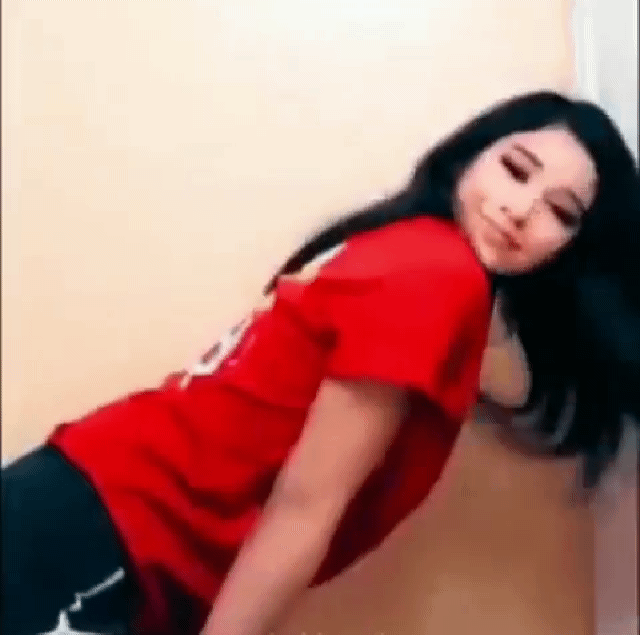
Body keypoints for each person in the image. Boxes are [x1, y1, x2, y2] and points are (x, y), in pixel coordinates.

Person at [2, 91, 639, 635]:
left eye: (561, 212)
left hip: (85, 513)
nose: (520, 209)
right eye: (515, 170)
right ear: (472, 156)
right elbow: (305, 505)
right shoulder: (438, 275)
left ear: (575, 247)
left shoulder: (412, 251)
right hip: (102, 534)